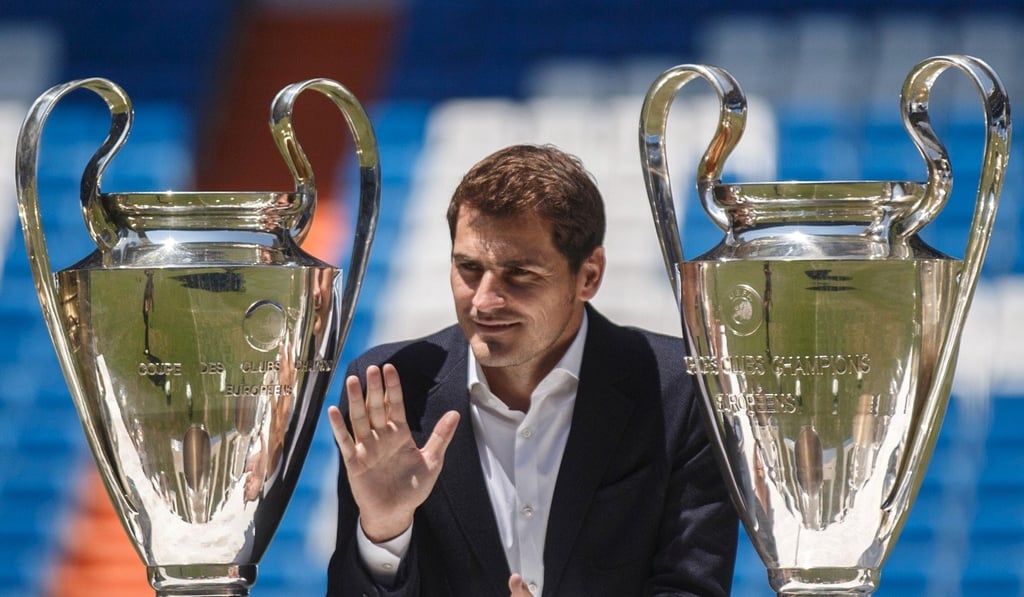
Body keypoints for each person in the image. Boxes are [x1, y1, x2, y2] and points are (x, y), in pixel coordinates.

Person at [325, 144, 738, 596]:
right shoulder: (391, 386)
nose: (483, 300)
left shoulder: (682, 391)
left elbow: (692, 587)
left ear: (589, 275)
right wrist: (385, 530)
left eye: (518, 273)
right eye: (468, 268)